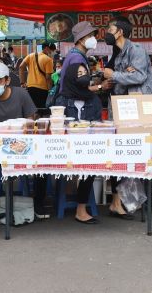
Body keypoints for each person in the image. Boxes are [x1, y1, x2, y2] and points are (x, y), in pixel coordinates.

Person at [102, 16, 152, 220]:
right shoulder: (118, 55)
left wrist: (114, 75)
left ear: (119, 31)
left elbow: (139, 77)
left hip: (144, 110)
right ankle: (130, 200)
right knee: (126, 154)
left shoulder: (135, 50)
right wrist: (112, 80)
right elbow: (123, 80)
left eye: (110, 28)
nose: (107, 32)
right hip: (126, 112)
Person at [0, 62, 51, 219]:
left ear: (7, 81)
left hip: (21, 144)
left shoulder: (21, 94)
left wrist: (20, 131)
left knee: (42, 157)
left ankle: (38, 203)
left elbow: (30, 120)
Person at [55, 63, 101, 224]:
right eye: (78, 73)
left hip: (87, 148)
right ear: (70, 77)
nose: (82, 77)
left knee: (92, 164)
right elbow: (56, 125)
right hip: (64, 147)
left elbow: (98, 124)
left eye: (84, 73)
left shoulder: (94, 99)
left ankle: (81, 209)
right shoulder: (62, 100)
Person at [19, 43, 55, 109]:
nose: (52, 53)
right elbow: (48, 77)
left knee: (33, 109)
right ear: (47, 48)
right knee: (42, 110)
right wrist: (50, 90)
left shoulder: (30, 55)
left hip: (30, 87)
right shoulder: (48, 60)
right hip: (42, 89)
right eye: (52, 50)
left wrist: (22, 82)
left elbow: (21, 67)